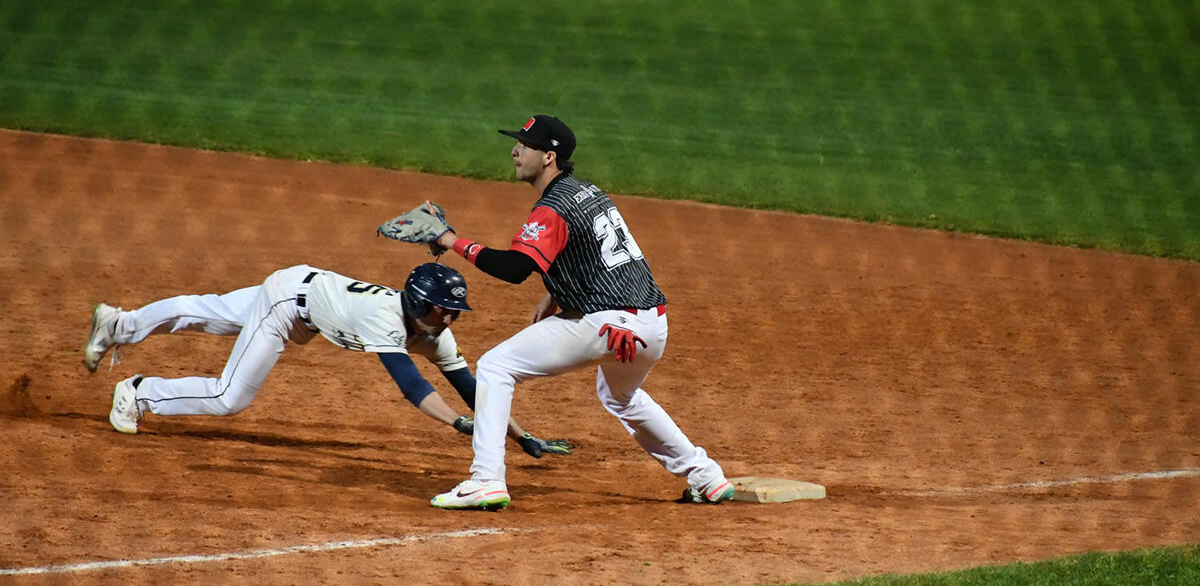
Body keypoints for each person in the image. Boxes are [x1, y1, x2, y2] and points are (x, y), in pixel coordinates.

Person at [421, 114, 733, 510]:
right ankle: (706, 476)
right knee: (621, 396)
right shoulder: (588, 191)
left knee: (496, 367)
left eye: (526, 146)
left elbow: (515, 269)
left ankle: (486, 479)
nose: (515, 151)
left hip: (606, 324)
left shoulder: (552, 208)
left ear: (548, 157)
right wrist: (554, 294)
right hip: (651, 326)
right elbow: (594, 256)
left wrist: (451, 240)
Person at [80, 262, 573, 458]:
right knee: (230, 396)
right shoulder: (386, 320)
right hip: (287, 303)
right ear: (421, 304)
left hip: (303, 288)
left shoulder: (435, 335)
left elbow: (472, 388)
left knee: (208, 312)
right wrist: (456, 423)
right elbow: (411, 386)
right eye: (445, 309)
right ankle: (138, 393)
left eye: (454, 311)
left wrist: (521, 435)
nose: (451, 318)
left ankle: (120, 325)